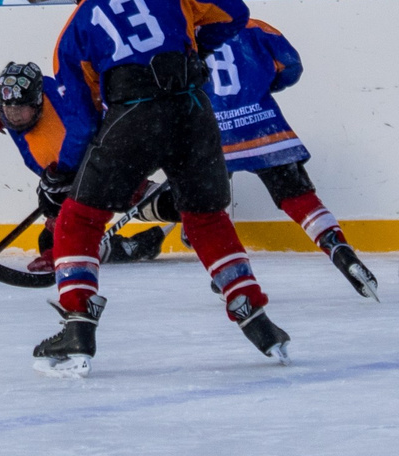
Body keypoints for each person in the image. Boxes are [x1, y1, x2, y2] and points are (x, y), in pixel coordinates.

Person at [34, 0, 288, 376]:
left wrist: (61, 174)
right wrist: (195, 44)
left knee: (79, 217)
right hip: (194, 109)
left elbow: (82, 121)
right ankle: (255, 314)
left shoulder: (72, 31)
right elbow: (235, 13)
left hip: (134, 115)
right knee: (207, 217)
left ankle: (77, 323)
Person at [137, 16, 379, 300]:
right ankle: (338, 248)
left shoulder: (175, 34)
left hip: (211, 132)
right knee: (298, 195)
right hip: (264, 127)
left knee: (209, 208)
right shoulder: (251, 26)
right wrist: (259, 90)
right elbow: (291, 65)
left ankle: (229, 270)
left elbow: (162, 86)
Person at [0, 61, 161, 276]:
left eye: (20, 109)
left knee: (160, 202)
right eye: (7, 110)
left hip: (105, 175)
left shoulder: (61, 100)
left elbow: (84, 130)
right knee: (49, 239)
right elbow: (11, 106)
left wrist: (63, 175)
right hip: (70, 184)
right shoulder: (18, 109)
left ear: (37, 101)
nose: (14, 116)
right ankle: (129, 246)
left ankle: (191, 214)